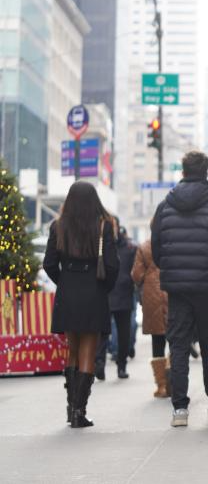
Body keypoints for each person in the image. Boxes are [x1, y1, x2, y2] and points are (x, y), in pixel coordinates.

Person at [151, 150, 208, 428]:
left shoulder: (165, 206)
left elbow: (156, 246)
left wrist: (170, 269)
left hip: (177, 287)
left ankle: (179, 409)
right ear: (207, 172)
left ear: (183, 172)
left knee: (178, 344)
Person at [43, 181, 119, 428]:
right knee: (88, 349)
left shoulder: (58, 226)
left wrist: (64, 282)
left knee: (72, 349)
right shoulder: (103, 226)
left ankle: (70, 408)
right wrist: (103, 288)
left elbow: (49, 264)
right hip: (93, 291)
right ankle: (79, 411)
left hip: (68, 292)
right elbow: (112, 266)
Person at [96, 219, 137, 381]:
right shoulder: (99, 245)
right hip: (104, 294)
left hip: (124, 294)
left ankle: (121, 365)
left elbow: (136, 269)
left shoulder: (129, 247)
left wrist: (130, 281)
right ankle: (99, 364)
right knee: (102, 332)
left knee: (124, 333)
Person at [131, 238, 170, 398]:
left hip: (151, 293)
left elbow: (136, 274)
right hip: (172, 290)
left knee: (157, 340)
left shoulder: (145, 247)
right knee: (177, 338)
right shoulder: (172, 243)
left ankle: (161, 385)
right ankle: (172, 373)